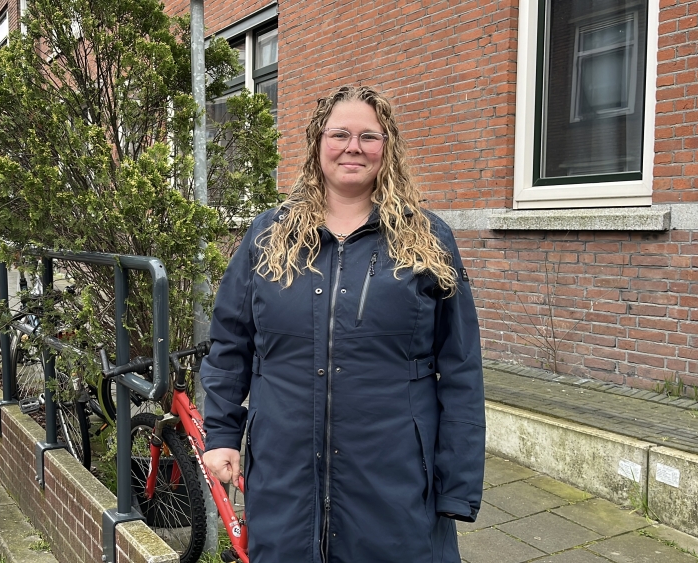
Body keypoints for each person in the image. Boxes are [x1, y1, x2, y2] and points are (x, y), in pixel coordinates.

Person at [200, 85, 485, 563]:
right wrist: (222, 433)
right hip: (284, 476)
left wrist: (456, 482)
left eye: (368, 136)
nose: (353, 147)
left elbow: (461, 366)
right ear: (317, 144)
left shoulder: (428, 238)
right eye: (340, 134)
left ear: (386, 148)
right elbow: (231, 341)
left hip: (394, 484)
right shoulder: (269, 235)